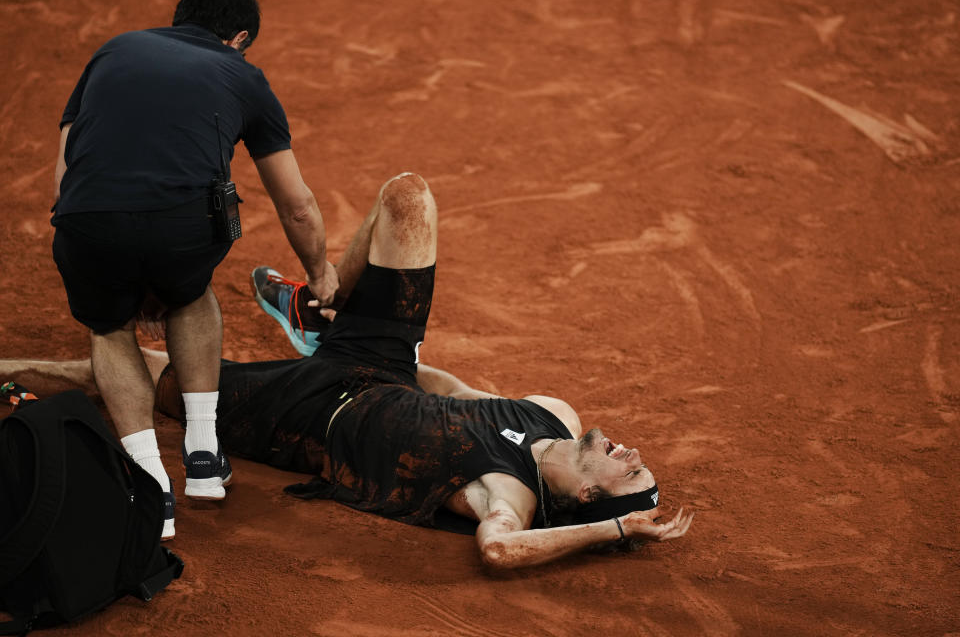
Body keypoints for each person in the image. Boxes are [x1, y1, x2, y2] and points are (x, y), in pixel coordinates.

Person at [10, 173, 693, 567]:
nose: (632, 451)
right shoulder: (556, 414)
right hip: (380, 364)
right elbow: (453, 391)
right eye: (639, 461)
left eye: (630, 471)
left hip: (305, 417)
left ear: (589, 499)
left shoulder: (506, 496)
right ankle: (313, 309)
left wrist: (617, 533)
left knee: (140, 371)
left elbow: (498, 552)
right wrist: (377, 332)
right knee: (409, 196)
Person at [50, 0, 339, 540]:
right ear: (241, 39)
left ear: (181, 20)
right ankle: (203, 455)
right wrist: (320, 271)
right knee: (191, 293)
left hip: (87, 220)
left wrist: (112, 260)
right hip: (181, 229)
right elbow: (296, 205)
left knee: (109, 328)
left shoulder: (112, 50)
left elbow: (65, 173)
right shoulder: (244, 76)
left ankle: (149, 485)